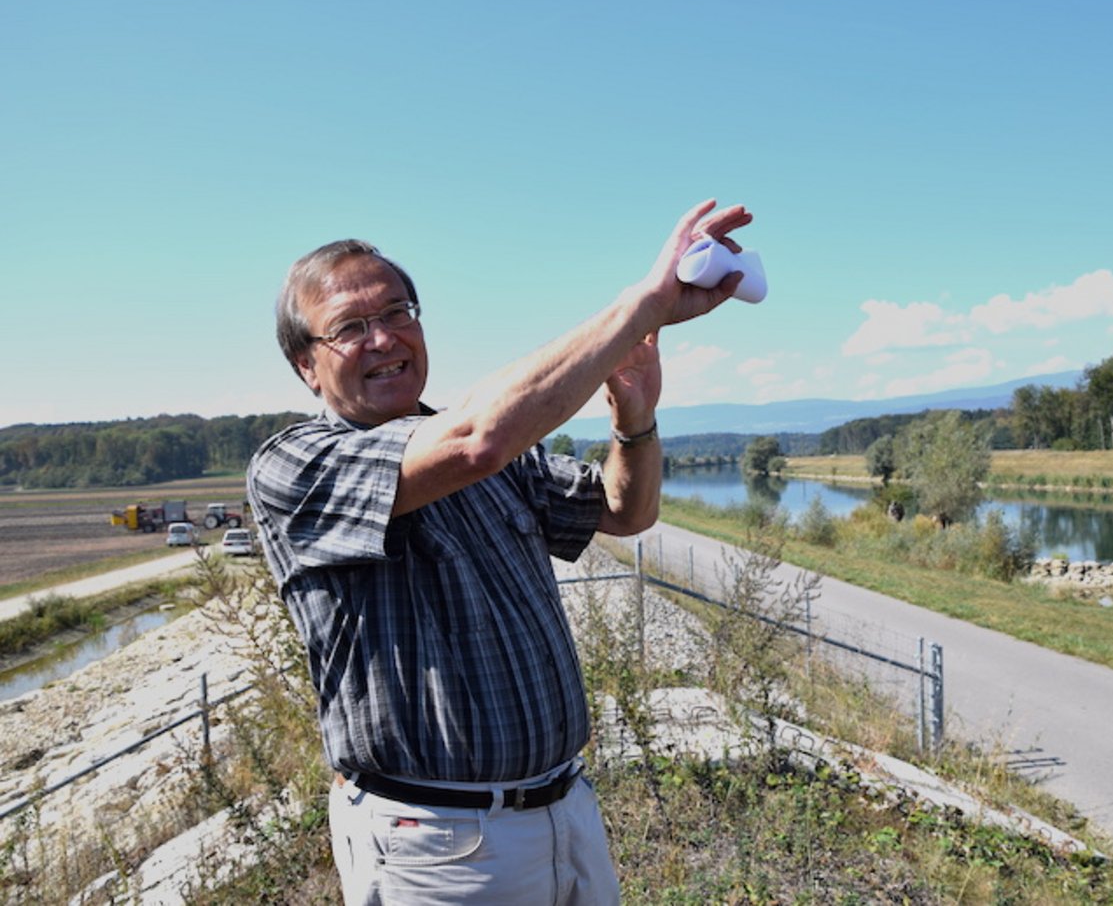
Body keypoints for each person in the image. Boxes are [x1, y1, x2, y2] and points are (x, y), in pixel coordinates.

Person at [246, 200, 754, 904]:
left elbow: (623, 511)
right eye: (350, 328)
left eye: (398, 312)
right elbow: (476, 441)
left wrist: (634, 421)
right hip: (435, 840)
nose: (384, 337)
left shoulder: (489, 451)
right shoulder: (296, 464)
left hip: (565, 808)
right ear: (307, 365)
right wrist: (642, 306)